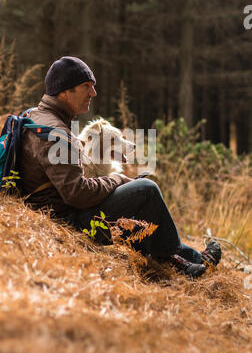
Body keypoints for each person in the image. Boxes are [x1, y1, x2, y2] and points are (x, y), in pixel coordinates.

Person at [19, 56, 221, 278]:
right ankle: (176, 259)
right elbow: (76, 193)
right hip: (67, 222)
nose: (93, 93)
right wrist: (118, 180)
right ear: (64, 92)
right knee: (146, 189)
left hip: (61, 212)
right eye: (86, 86)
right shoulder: (54, 131)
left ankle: (190, 261)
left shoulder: (36, 116)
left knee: (137, 193)